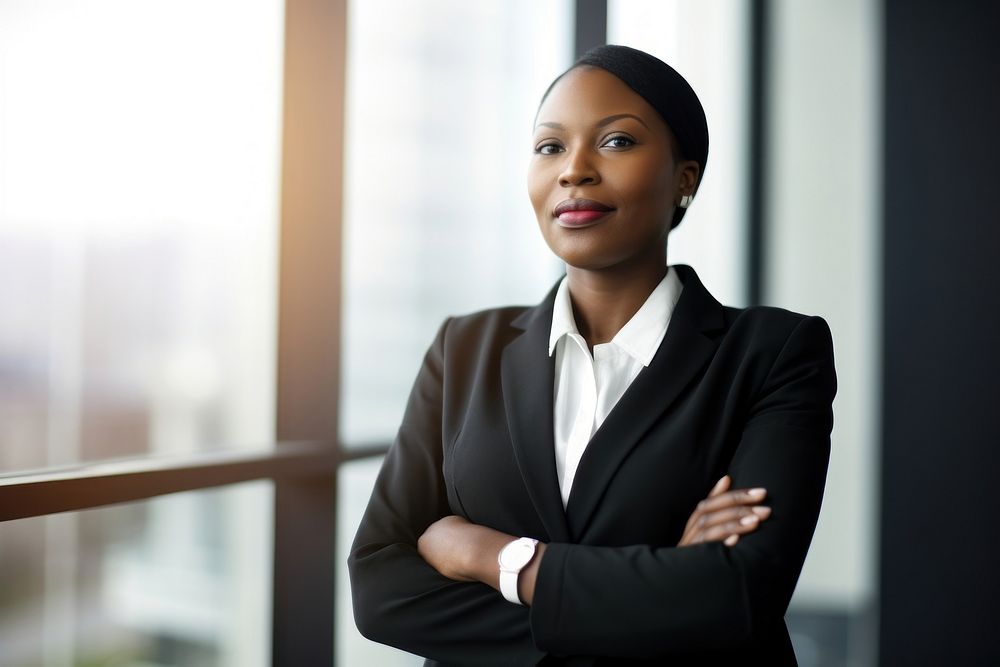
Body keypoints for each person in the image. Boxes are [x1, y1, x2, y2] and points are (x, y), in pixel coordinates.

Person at [348, 44, 836, 666]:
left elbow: (735, 597)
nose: (573, 169)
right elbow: (380, 591)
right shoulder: (463, 349)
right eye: (550, 147)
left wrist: (490, 557)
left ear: (685, 177)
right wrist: (659, 590)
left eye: (616, 142)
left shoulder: (772, 354)